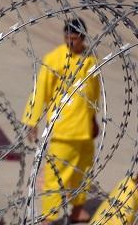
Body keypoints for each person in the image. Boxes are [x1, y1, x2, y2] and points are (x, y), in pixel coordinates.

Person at [22, 17, 101, 224]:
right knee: (56, 176)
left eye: (74, 39)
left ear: (83, 38)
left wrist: (94, 119)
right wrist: (32, 120)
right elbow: (40, 91)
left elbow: (93, 92)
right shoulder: (54, 59)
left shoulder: (91, 60)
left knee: (83, 173)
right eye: (67, 38)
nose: (70, 42)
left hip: (84, 129)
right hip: (64, 129)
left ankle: (77, 210)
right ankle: (48, 218)